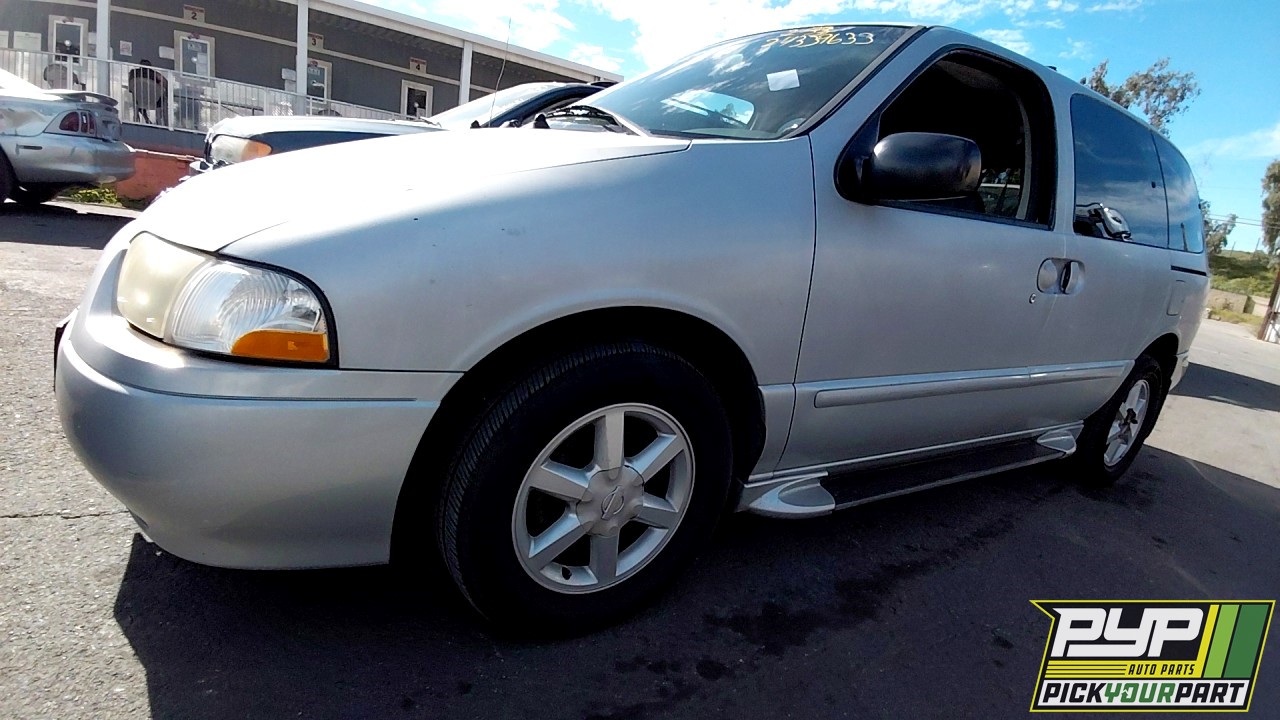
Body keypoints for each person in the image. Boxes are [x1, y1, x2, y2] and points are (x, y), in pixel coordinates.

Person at [127, 60, 167, 125]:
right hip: (153, 98)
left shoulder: (133, 72)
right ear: (150, 66)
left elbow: (130, 88)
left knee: (137, 99)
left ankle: (142, 118)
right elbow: (164, 82)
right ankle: (159, 120)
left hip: (139, 97)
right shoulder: (154, 73)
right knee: (162, 97)